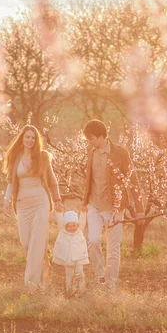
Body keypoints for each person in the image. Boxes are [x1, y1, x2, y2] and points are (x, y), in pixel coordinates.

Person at [81, 119, 143, 289]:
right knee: (93, 241)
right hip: (93, 204)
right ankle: (100, 276)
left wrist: (139, 209)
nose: (90, 141)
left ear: (103, 136)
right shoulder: (91, 151)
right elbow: (89, 178)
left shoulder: (120, 153)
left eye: (92, 138)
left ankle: (111, 284)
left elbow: (133, 181)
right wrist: (84, 200)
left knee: (112, 248)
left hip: (114, 207)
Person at [3, 125, 63, 293]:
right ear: (22, 139)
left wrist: (57, 200)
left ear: (36, 140)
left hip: (41, 203)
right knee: (26, 243)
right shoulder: (16, 157)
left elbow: (53, 181)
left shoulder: (43, 157)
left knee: (36, 241)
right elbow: (10, 182)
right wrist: (6, 201)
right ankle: (44, 265)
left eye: (33, 137)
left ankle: (31, 285)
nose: (30, 140)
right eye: (27, 137)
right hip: (22, 204)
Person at [52, 210, 89, 297]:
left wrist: (83, 212)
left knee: (80, 272)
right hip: (67, 258)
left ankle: (81, 289)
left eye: (74, 225)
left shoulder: (79, 231)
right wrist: (58, 212)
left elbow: (83, 220)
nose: (72, 228)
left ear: (77, 225)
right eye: (69, 226)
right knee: (69, 274)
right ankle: (69, 290)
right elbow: (60, 221)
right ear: (65, 226)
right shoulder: (63, 232)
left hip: (79, 256)